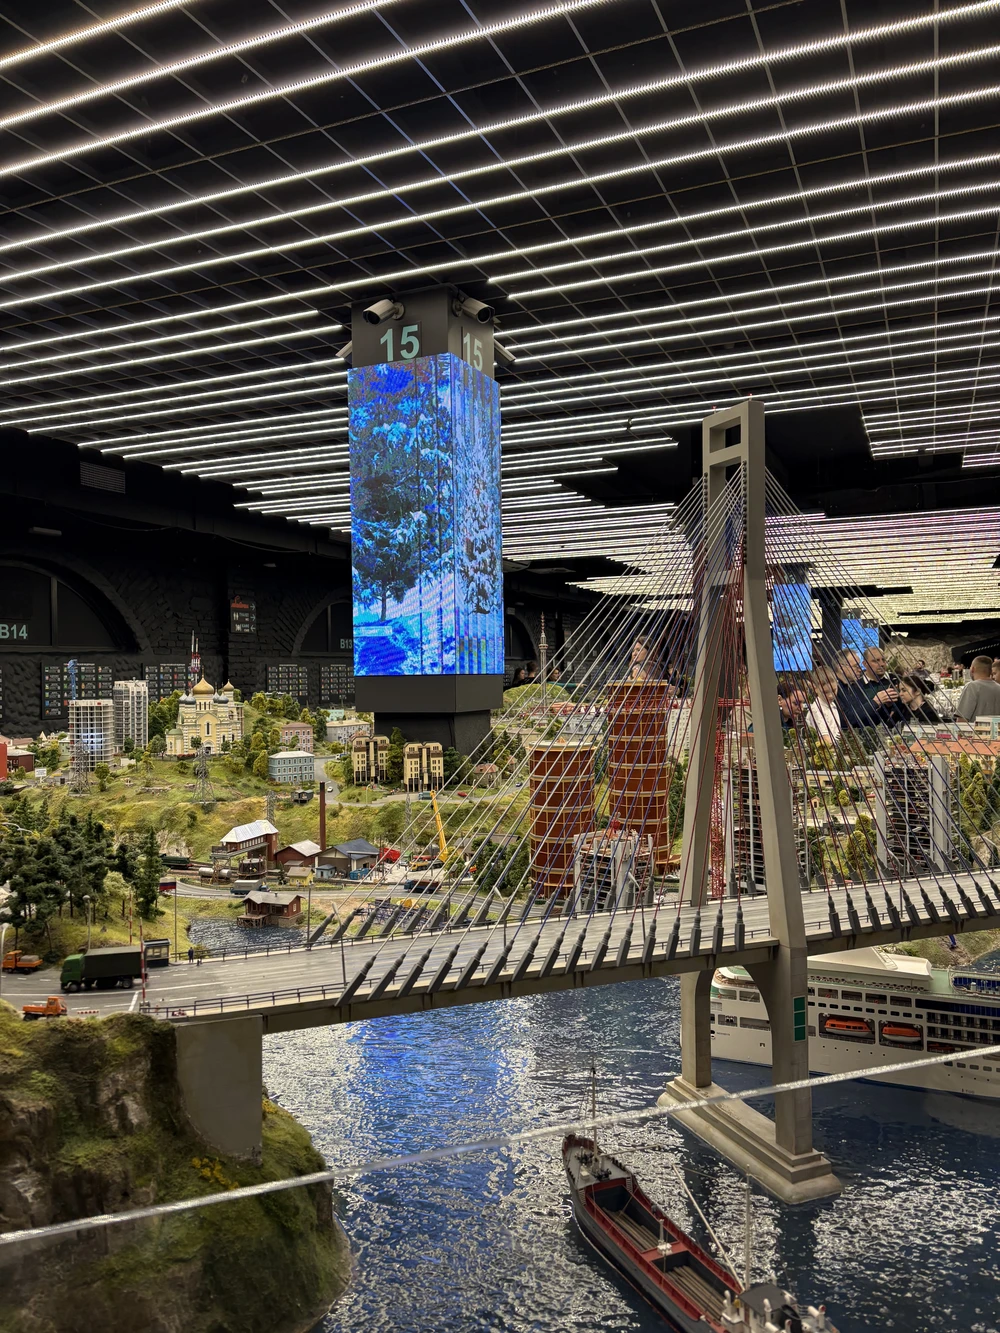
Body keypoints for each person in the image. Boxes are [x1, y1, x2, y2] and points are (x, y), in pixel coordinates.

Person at [956, 655, 1000, 720]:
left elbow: (962, 720)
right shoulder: (998, 687)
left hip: (975, 726)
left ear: (973, 669)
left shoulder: (972, 687)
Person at [806, 664, 841, 741]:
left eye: (833, 690)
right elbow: (825, 739)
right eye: (825, 692)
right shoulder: (816, 709)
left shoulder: (833, 705)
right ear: (815, 688)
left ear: (837, 683)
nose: (830, 696)